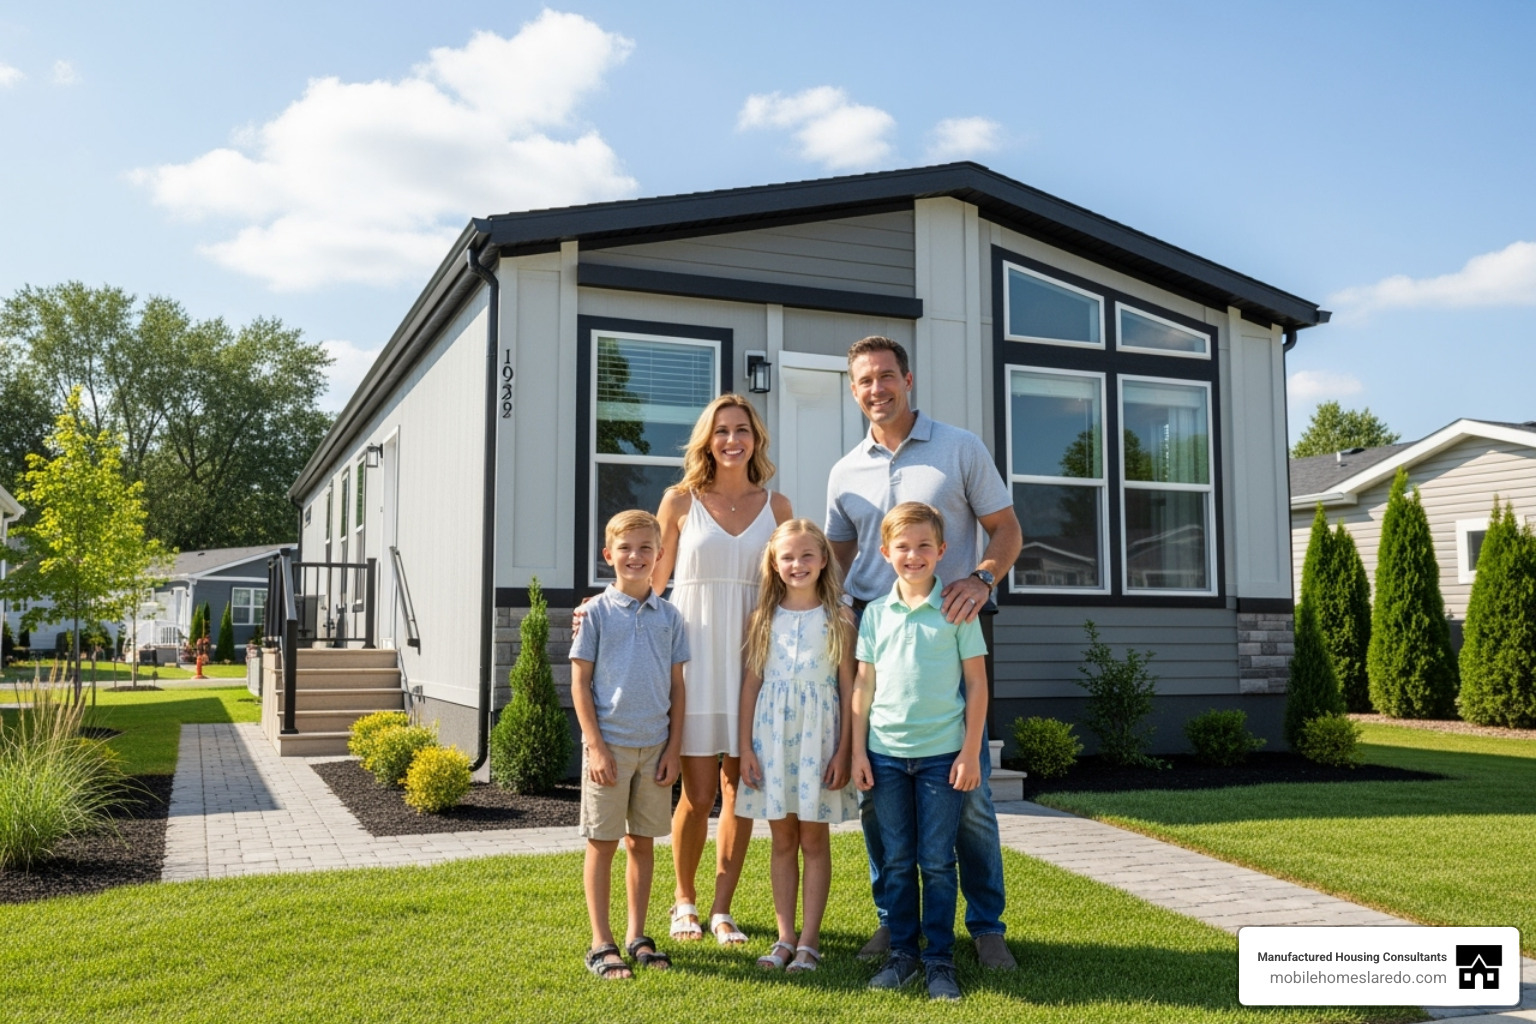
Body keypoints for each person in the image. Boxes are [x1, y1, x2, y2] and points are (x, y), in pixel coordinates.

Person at [824, 335, 1023, 971]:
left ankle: (986, 924)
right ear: (853, 391)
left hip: (949, 633)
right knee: (880, 800)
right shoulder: (844, 468)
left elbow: (1007, 530)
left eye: (886, 376)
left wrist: (982, 578)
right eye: (864, 381)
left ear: (908, 379)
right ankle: (894, 921)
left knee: (970, 798)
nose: (876, 389)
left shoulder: (959, 447)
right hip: (873, 639)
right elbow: (834, 558)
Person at [651, 394, 793, 945]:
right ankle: (682, 900)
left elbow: (791, 582)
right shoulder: (680, 502)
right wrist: (601, 605)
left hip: (752, 664)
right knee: (698, 791)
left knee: (742, 789)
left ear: (756, 439)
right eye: (721, 431)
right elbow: (654, 582)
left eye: (742, 430)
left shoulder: (777, 506)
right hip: (693, 659)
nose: (732, 440)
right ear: (706, 440)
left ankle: (720, 908)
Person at [851, 502, 988, 1002]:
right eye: (903, 547)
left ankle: (939, 961)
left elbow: (976, 686)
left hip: (941, 757)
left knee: (935, 861)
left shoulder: (958, 611)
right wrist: (858, 753)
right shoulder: (875, 615)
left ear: (942, 551)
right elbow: (862, 687)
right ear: (886, 553)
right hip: (885, 756)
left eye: (924, 546)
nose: (914, 555)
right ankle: (903, 955)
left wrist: (970, 753)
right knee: (896, 859)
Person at [569, 509, 688, 980]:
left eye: (645, 549)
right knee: (603, 842)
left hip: (655, 748)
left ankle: (638, 936)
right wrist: (595, 746)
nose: (636, 557)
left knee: (643, 843)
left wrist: (674, 748)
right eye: (626, 548)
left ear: (660, 556)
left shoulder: (671, 617)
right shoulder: (595, 613)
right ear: (608, 555)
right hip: (610, 749)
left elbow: (679, 688)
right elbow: (580, 684)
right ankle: (602, 942)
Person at [737, 519, 858, 973]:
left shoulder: (841, 617)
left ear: (824, 560)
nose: (797, 564)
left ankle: (810, 941)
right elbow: (751, 686)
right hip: (772, 741)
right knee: (782, 839)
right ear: (774, 561)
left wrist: (845, 750)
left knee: (814, 838)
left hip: (820, 740)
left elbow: (849, 690)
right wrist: (745, 748)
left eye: (808, 555)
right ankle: (784, 937)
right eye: (787, 556)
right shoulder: (762, 619)